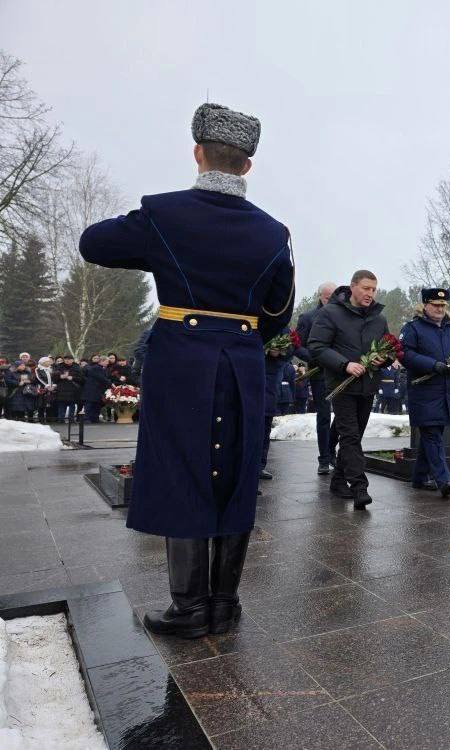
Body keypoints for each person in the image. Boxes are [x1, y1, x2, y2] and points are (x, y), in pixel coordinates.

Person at [78, 102, 294, 639]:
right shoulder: (274, 233)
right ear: (247, 166)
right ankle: (225, 603)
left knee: (183, 468)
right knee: (239, 471)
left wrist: (152, 231)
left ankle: (189, 607)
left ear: (198, 154)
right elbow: (278, 312)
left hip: (180, 361)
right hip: (243, 360)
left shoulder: (164, 214)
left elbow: (93, 243)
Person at [308, 271, 389, 509]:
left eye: (373, 289)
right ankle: (359, 486)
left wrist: (381, 359)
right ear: (352, 287)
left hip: (367, 386)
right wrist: (344, 364)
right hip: (341, 386)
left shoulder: (378, 318)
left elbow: (386, 348)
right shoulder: (331, 313)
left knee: (355, 435)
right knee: (350, 436)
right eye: (365, 288)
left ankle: (338, 480)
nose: (370, 293)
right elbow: (316, 346)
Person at [400, 288, 450, 498]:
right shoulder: (413, 328)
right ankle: (444, 479)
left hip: (448, 391)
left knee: (434, 434)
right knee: (432, 435)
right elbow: (405, 354)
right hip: (424, 391)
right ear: (424, 305)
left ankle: (419, 477)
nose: (440, 309)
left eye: (443, 305)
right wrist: (434, 365)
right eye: (435, 305)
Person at [293, 282, 340, 476]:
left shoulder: (342, 316)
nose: (332, 301)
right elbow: (297, 346)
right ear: (321, 296)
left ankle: (331, 450)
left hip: (340, 371)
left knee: (342, 415)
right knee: (323, 415)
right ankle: (323, 458)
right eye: (329, 297)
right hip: (319, 373)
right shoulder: (308, 318)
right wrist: (315, 357)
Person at [261, 334, 292, 481]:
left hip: (271, 385)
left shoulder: (283, 327)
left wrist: (281, 352)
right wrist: (265, 349)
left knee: (266, 425)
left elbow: (292, 349)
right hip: (254, 373)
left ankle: (260, 465)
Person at [82, 355, 112, 423]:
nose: (108, 363)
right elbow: (101, 378)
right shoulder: (96, 368)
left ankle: (94, 418)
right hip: (92, 390)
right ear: (102, 361)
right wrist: (110, 383)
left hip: (97, 390)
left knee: (96, 405)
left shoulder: (101, 368)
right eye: (107, 361)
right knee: (89, 405)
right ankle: (87, 418)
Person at [54, 355, 83, 422]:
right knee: (61, 405)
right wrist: (60, 377)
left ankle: (71, 419)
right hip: (61, 389)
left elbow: (82, 379)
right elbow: (54, 377)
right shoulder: (59, 367)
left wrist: (73, 378)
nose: (67, 360)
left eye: (69, 359)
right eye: (66, 359)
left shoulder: (77, 367)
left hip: (73, 389)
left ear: (72, 360)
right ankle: (60, 419)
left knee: (72, 406)